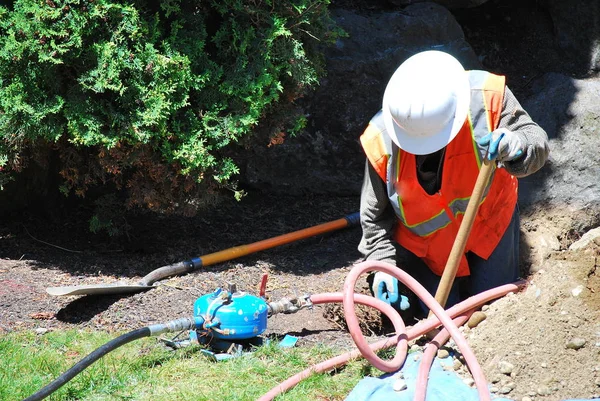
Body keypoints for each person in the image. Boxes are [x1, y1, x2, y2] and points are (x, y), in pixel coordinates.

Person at [358, 50, 549, 317]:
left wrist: (519, 146)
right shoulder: (381, 143)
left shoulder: (486, 98)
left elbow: (535, 138)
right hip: (430, 251)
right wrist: (381, 266)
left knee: (496, 312)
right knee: (441, 322)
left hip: (489, 224)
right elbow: (373, 218)